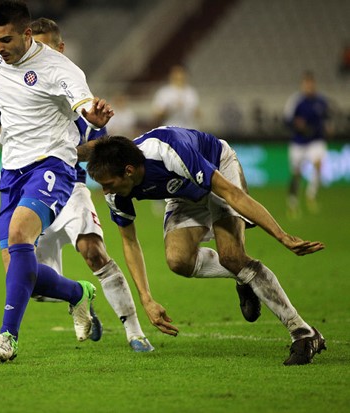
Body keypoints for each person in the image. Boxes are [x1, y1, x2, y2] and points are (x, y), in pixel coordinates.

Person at [0, 17, 153, 353]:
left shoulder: (66, 78)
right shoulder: (9, 71)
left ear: (57, 49)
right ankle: (78, 293)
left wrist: (77, 139)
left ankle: (133, 331)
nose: (39, 53)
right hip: (17, 174)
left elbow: (98, 143)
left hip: (65, 180)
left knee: (91, 250)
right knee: (23, 276)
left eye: (47, 47)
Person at [83, 128, 327, 366]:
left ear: (128, 171)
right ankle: (245, 276)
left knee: (232, 256)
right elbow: (129, 241)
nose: (104, 190)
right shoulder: (116, 194)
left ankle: (303, 334)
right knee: (179, 260)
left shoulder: (169, 152)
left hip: (218, 168)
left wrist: (281, 235)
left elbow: (232, 195)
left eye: (108, 183)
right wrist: (146, 299)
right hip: (183, 192)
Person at [283, 71, 331, 217]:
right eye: (306, 84)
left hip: (315, 141)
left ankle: (311, 195)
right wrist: (296, 124)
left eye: (311, 84)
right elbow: (286, 120)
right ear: (303, 85)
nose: (309, 86)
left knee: (318, 164)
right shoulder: (296, 101)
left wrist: (329, 126)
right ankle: (292, 202)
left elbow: (327, 117)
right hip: (299, 142)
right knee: (296, 174)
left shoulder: (321, 101)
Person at [151, 64, 200, 129]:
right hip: (170, 128)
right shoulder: (164, 92)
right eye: (176, 73)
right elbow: (156, 114)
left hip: (188, 128)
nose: (179, 76)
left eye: (181, 73)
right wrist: (170, 108)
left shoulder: (191, 92)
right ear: (171, 75)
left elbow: (198, 114)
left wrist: (190, 109)